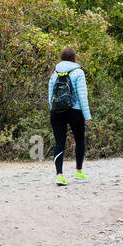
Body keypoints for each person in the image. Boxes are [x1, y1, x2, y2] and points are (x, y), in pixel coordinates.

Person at [48, 48, 91, 185]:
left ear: (61, 57)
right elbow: (82, 96)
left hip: (56, 111)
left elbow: (50, 95)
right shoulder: (78, 72)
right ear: (74, 58)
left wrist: (52, 110)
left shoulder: (54, 72)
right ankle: (79, 171)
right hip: (75, 110)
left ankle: (59, 175)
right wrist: (87, 115)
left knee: (59, 142)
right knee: (79, 140)